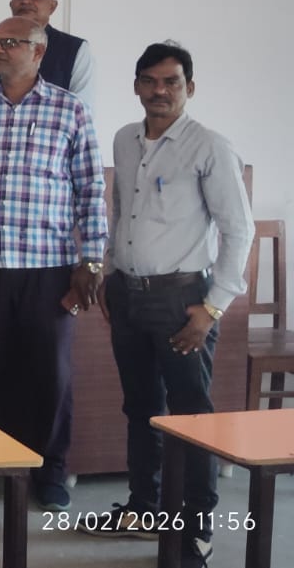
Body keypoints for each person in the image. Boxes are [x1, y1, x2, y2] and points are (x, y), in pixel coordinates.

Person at [80, 42, 253, 568]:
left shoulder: (209, 147)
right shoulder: (125, 139)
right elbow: (120, 212)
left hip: (183, 302)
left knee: (191, 415)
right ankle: (144, 508)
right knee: (140, 409)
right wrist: (110, 273)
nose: (160, 91)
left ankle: (196, 529)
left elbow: (238, 230)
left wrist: (213, 307)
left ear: (189, 88)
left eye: (171, 82)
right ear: (136, 86)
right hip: (128, 296)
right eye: (150, 81)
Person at [0, 17, 107, 512]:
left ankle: (50, 471)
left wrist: (92, 259)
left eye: (10, 42)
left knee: (50, 374)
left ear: (39, 51)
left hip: (49, 268)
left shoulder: (70, 109)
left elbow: (91, 188)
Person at [9, 0, 95, 109]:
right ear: (11, 5)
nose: (25, 1)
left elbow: (82, 109)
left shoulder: (75, 49)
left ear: (52, 7)